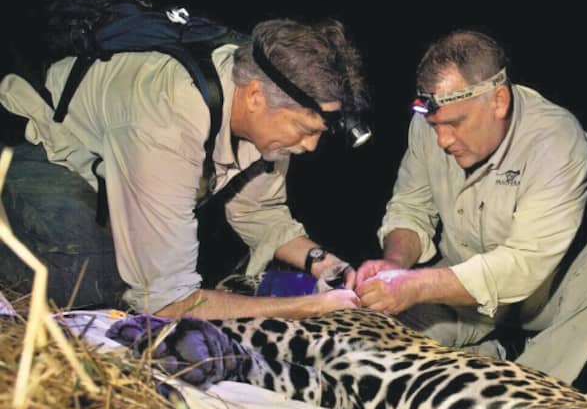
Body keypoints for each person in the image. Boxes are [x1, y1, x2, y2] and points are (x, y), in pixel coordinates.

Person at [0, 18, 367, 319]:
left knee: (184, 268)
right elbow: (165, 302)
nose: (309, 147)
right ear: (255, 96)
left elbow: (259, 213)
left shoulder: (268, 110)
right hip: (40, 148)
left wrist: (325, 263)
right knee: (93, 281)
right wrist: (307, 307)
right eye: (306, 131)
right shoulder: (171, 114)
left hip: (110, 173)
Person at [355, 29, 587, 384]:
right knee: (372, 359)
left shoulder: (556, 139)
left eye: (455, 124)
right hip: (454, 287)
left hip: (540, 296)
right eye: (435, 126)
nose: (442, 140)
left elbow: (524, 265)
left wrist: (416, 285)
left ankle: (527, 386)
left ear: (499, 101)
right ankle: (487, 356)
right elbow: (411, 206)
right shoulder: (429, 121)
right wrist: (395, 265)